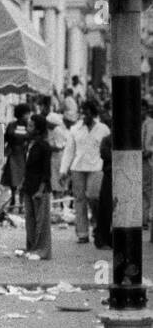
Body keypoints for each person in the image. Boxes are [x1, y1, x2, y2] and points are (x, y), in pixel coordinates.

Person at [60, 100, 111, 245]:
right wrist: (63, 170)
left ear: (93, 113)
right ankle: (82, 233)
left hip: (97, 167)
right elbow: (69, 151)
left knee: (94, 197)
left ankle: (97, 226)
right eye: (83, 112)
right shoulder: (75, 129)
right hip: (78, 168)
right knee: (79, 201)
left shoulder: (103, 129)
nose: (85, 115)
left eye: (87, 112)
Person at [20, 114, 53, 260]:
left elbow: (46, 171)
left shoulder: (44, 146)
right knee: (30, 220)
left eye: (31, 126)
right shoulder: (29, 144)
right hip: (29, 186)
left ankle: (43, 251)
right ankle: (32, 248)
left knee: (42, 222)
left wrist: (40, 190)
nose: (28, 128)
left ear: (38, 129)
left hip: (40, 188)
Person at [3, 103, 32, 211]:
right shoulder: (12, 125)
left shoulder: (28, 125)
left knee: (23, 179)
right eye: (26, 114)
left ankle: (21, 202)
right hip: (14, 154)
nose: (28, 116)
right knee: (13, 179)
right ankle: (13, 200)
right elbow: (6, 137)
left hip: (25, 155)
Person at [141, 99, 153, 232]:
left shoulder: (150, 124)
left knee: (147, 189)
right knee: (140, 189)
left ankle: (147, 218)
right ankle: (143, 219)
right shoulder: (135, 123)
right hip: (136, 159)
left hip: (148, 160)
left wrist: (149, 151)